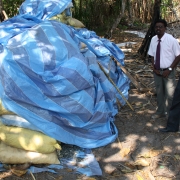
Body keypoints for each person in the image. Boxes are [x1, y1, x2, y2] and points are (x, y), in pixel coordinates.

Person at [148, 19, 180, 119]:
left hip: (168, 71)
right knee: (160, 93)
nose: (158, 28)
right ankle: (160, 112)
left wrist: (169, 69)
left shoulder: (171, 40)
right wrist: (154, 68)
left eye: (161, 27)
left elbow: (178, 56)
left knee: (170, 95)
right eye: (157, 27)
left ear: (165, 28)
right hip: (157, 71)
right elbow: (152, 55)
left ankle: (171, 115)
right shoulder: (153, 39)